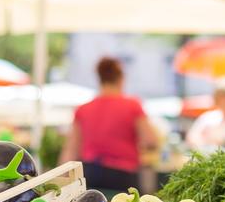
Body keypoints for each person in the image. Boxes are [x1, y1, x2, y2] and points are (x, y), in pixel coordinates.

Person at [59, 57, 158, 192]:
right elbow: (150, 140)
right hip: (123, 175)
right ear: (121, 79)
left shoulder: (83, 109)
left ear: (100, 78)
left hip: (90, 174)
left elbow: (71, 150)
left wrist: (61, 182)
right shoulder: (132, 105)